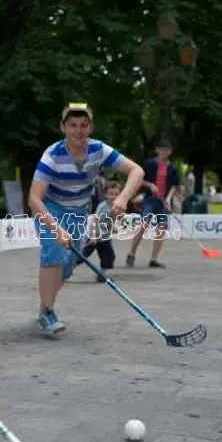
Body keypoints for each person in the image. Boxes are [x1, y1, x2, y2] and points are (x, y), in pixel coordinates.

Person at [28, 103, 144, 338]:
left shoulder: (98, 150)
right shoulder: (52, 156)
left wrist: (123, 198)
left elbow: (137, 171)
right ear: (63, 127)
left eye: (83, 125)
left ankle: (44, 307)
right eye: (72, 125)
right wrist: (56, 229)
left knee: (69, 263)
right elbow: (33, 199)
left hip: (79, 211)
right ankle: (48, 311)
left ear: (90, 128)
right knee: (53, 251)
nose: (78, 131)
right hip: (50, 208)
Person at [126, 139, 180, 269]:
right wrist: (150, 185)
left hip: (163, 202)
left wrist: (168, 198)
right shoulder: (149, 164)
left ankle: (154, 259)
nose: (164, 152)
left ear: (170, 152)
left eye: (167, 150)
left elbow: (174, 185)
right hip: (150, 199)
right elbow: (139, 179)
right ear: (157, 150)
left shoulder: (172, 167)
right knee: (143, 225)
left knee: (161, 229)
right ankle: (132, 253)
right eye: (162, 149)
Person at [78, 180, 121, 283]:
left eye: (116, 194)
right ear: (106, 194)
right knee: (82, 255)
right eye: (111, 194)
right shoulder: (103, 206)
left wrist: (116, 226)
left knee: (109, 257)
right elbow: (94, 221)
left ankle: (101, 275)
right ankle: (65, 271)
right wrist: (93, 236)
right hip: (94, 235)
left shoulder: (118, 206)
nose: (113, 196)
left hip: (105, 237)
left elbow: (120, 218)